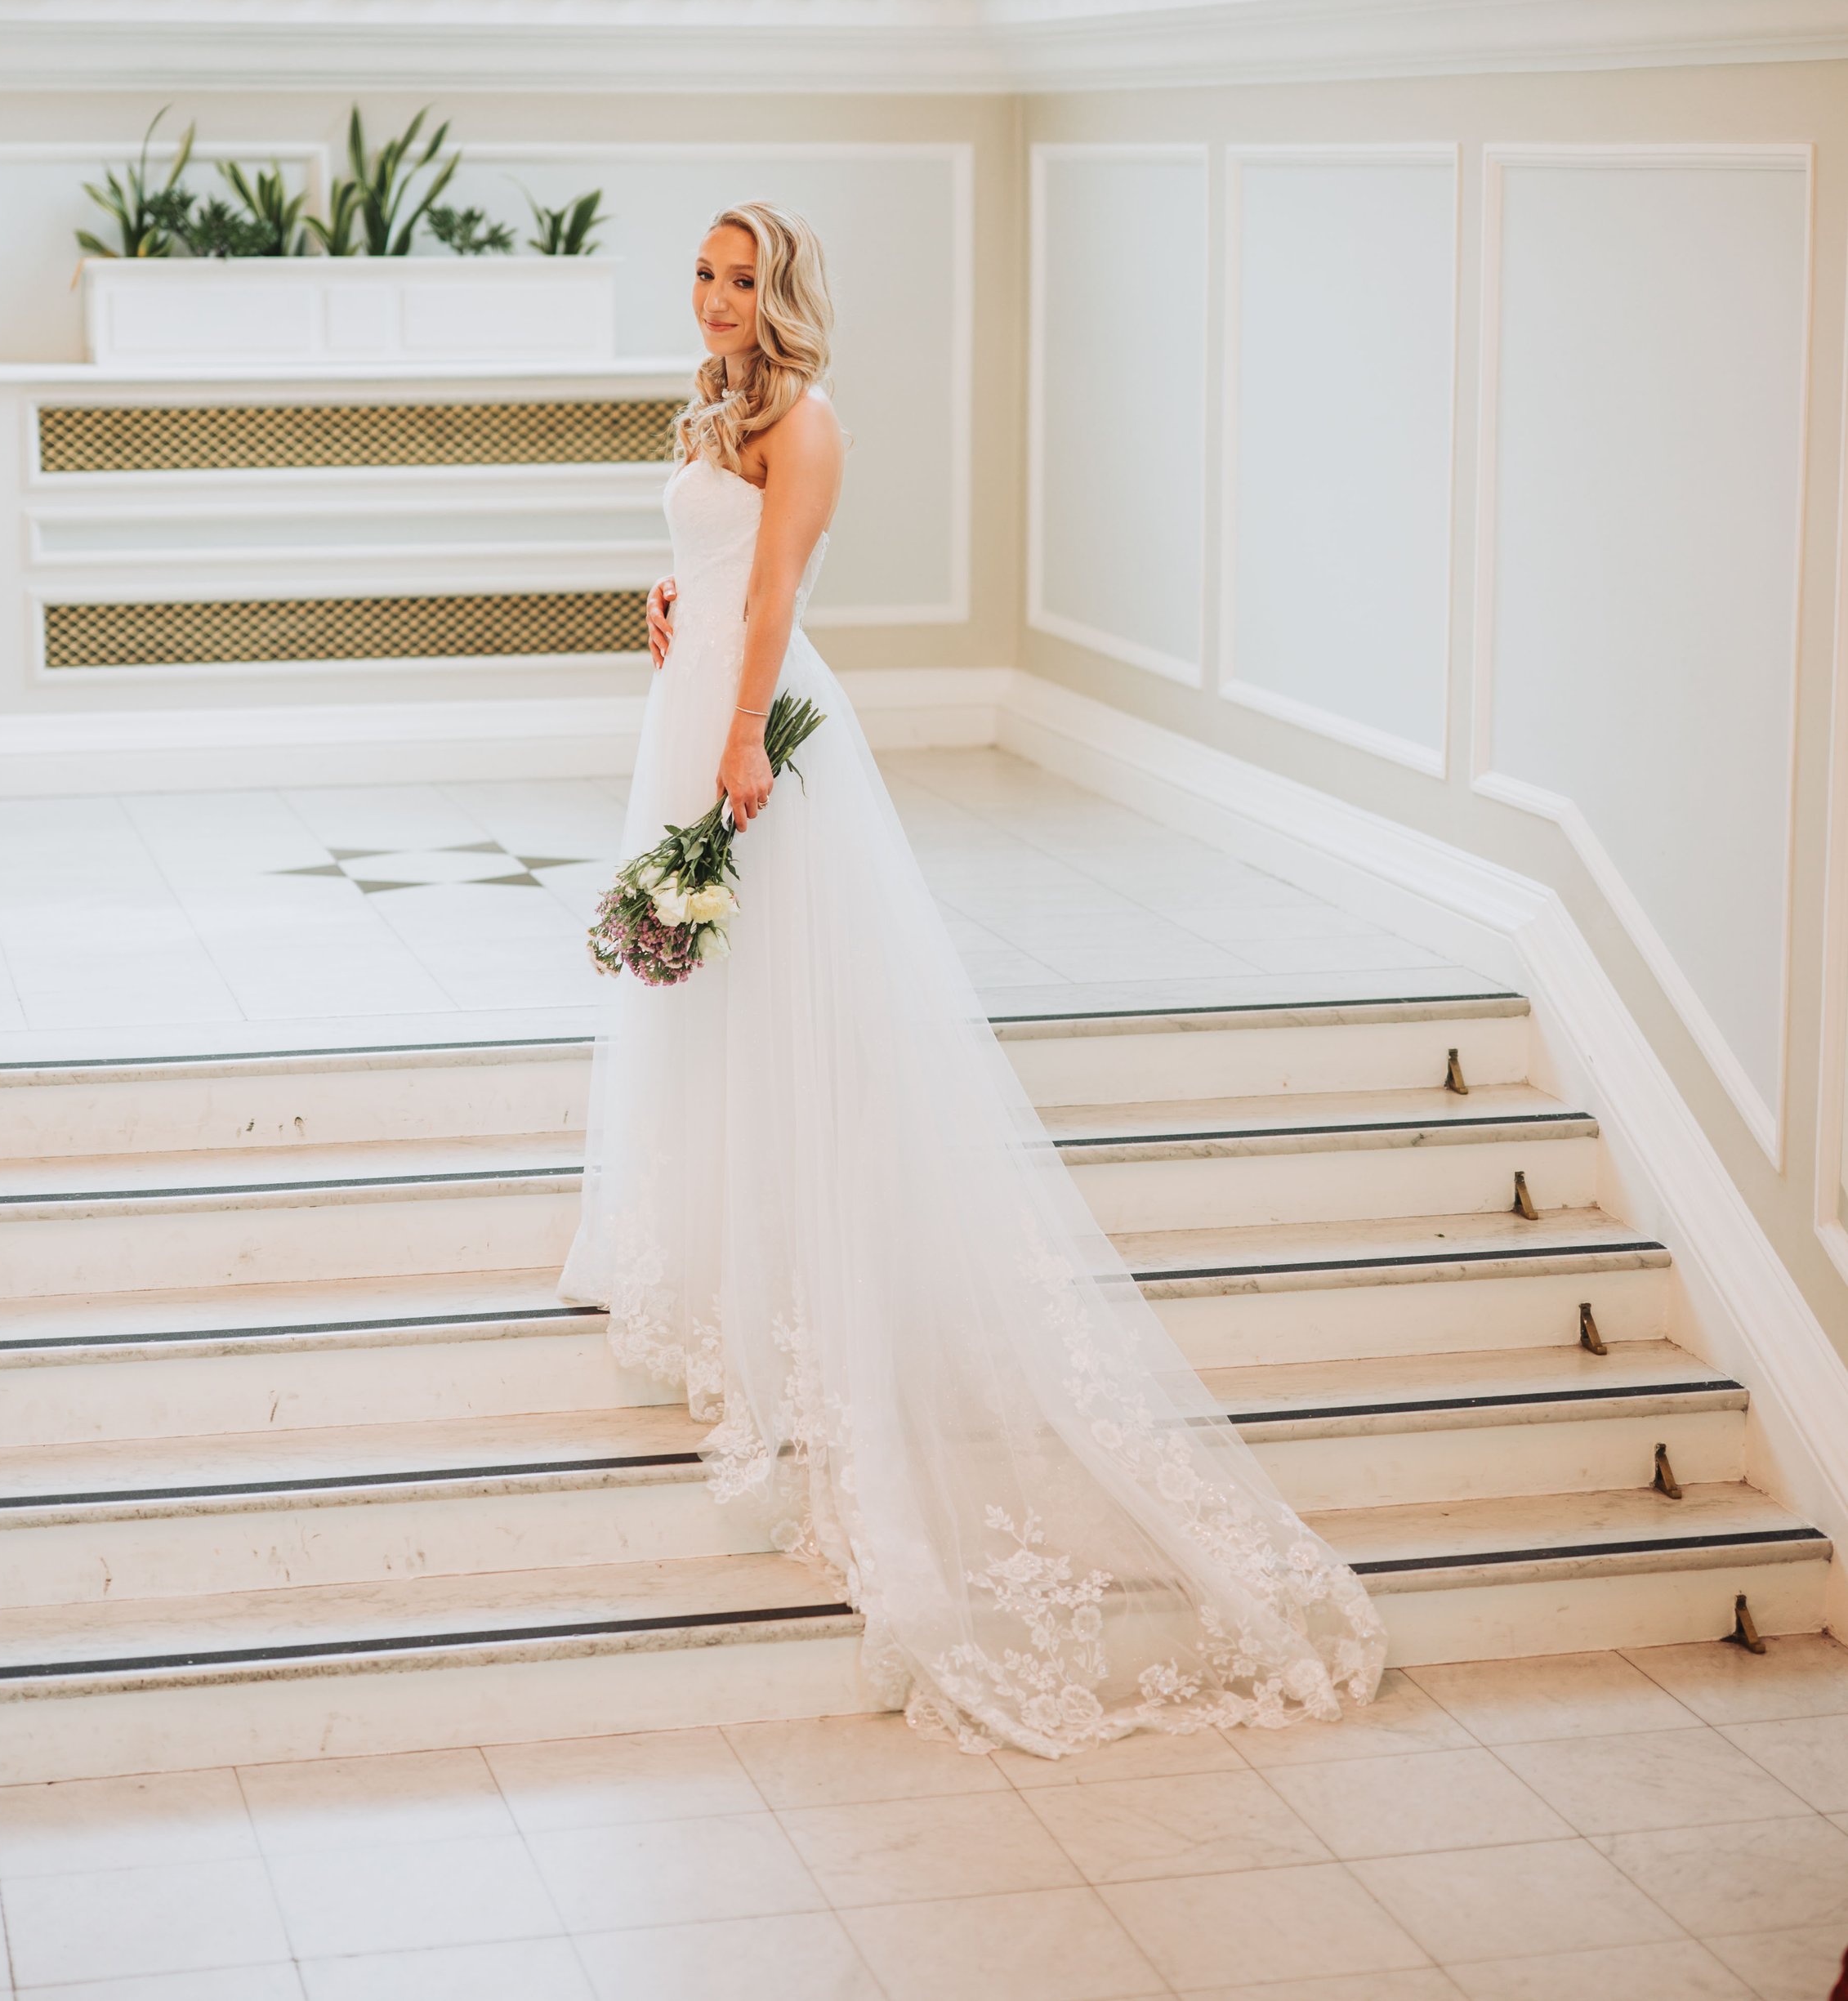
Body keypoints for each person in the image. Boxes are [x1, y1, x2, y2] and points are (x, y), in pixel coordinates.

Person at [561, 201, 1386, 1756]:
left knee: (781, 991)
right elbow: (714, 562)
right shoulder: (707, 405)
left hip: (751, 732)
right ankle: (710, 1248)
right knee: (696, 996)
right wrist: (671, 613)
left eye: (745, 280)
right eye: (707, 274)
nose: (720, 298)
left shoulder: (806, 424)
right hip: (689, 701)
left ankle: (808, 1274)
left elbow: (785, 595)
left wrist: (739, 732)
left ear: (787, 294)